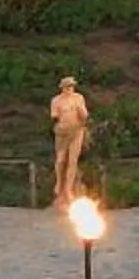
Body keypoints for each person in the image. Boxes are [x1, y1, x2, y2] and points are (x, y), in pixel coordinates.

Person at [48, 78, 91, 209]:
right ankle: (59, 183)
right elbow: (54, 116)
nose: (69, 89)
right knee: (61, 159)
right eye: (67, 87)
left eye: (71, 86)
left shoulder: (78, 98)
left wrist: (80, 111)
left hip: (77, 130)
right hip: (62, 132)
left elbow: (85, 115)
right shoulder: (56, 100)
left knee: (73, 160)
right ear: (62, 88)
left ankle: (68, 189)